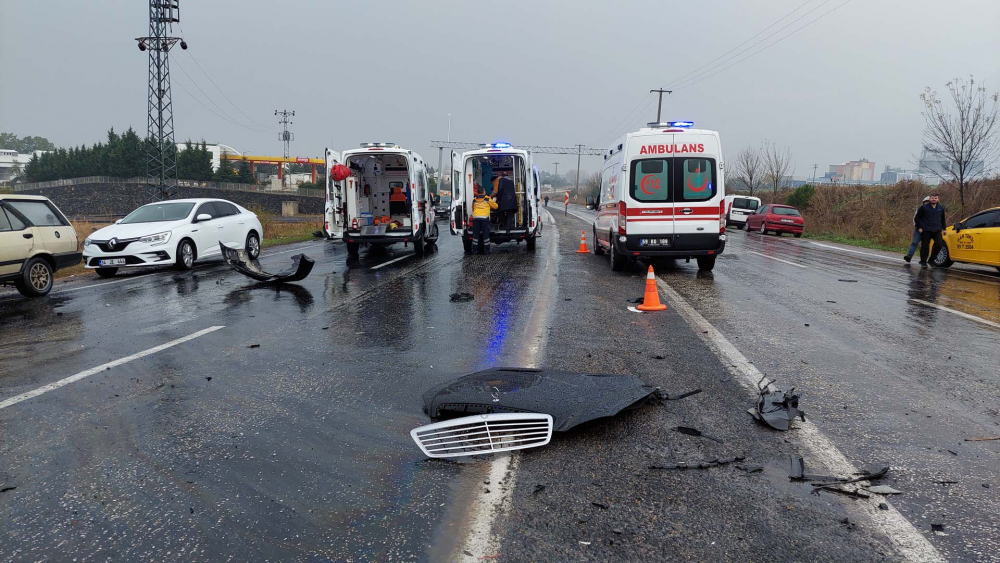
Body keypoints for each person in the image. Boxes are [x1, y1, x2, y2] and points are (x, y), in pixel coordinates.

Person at [915, 193, 947, 267]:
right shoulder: (924, 208)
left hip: (937, 230)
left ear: (938, 199)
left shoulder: (940, 208)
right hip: (926, 230)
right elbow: (917, 218)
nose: (934, 199)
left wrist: (944, 229)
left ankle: (931, 260)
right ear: (930, 199)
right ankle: (923, 261)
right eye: (932, 198)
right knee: (925, 246)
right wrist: (919, 227)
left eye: (935, 198)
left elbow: (943, 219)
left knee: (939, 244)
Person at [471, 185, 498, 254]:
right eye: (485, 190)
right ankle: (487, 251)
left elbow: (473, 209)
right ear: (483, 192)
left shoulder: (474, 200)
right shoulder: (487, 199)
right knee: (486, 235)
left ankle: (474, 250)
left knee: (475, 235)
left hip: (476, 218)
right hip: (484, 218)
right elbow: (495, 207)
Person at [903, 196, 930, 263]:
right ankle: (909, 256)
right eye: (926, 202)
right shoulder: (919, 210)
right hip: (918, 229)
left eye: (928, 202)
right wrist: (918, 227)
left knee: (925, 245)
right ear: (923, 202)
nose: (927, 203)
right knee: (914, 243)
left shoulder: (933, 211)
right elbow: (915, 218)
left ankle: (923, 260)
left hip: (928, 230)